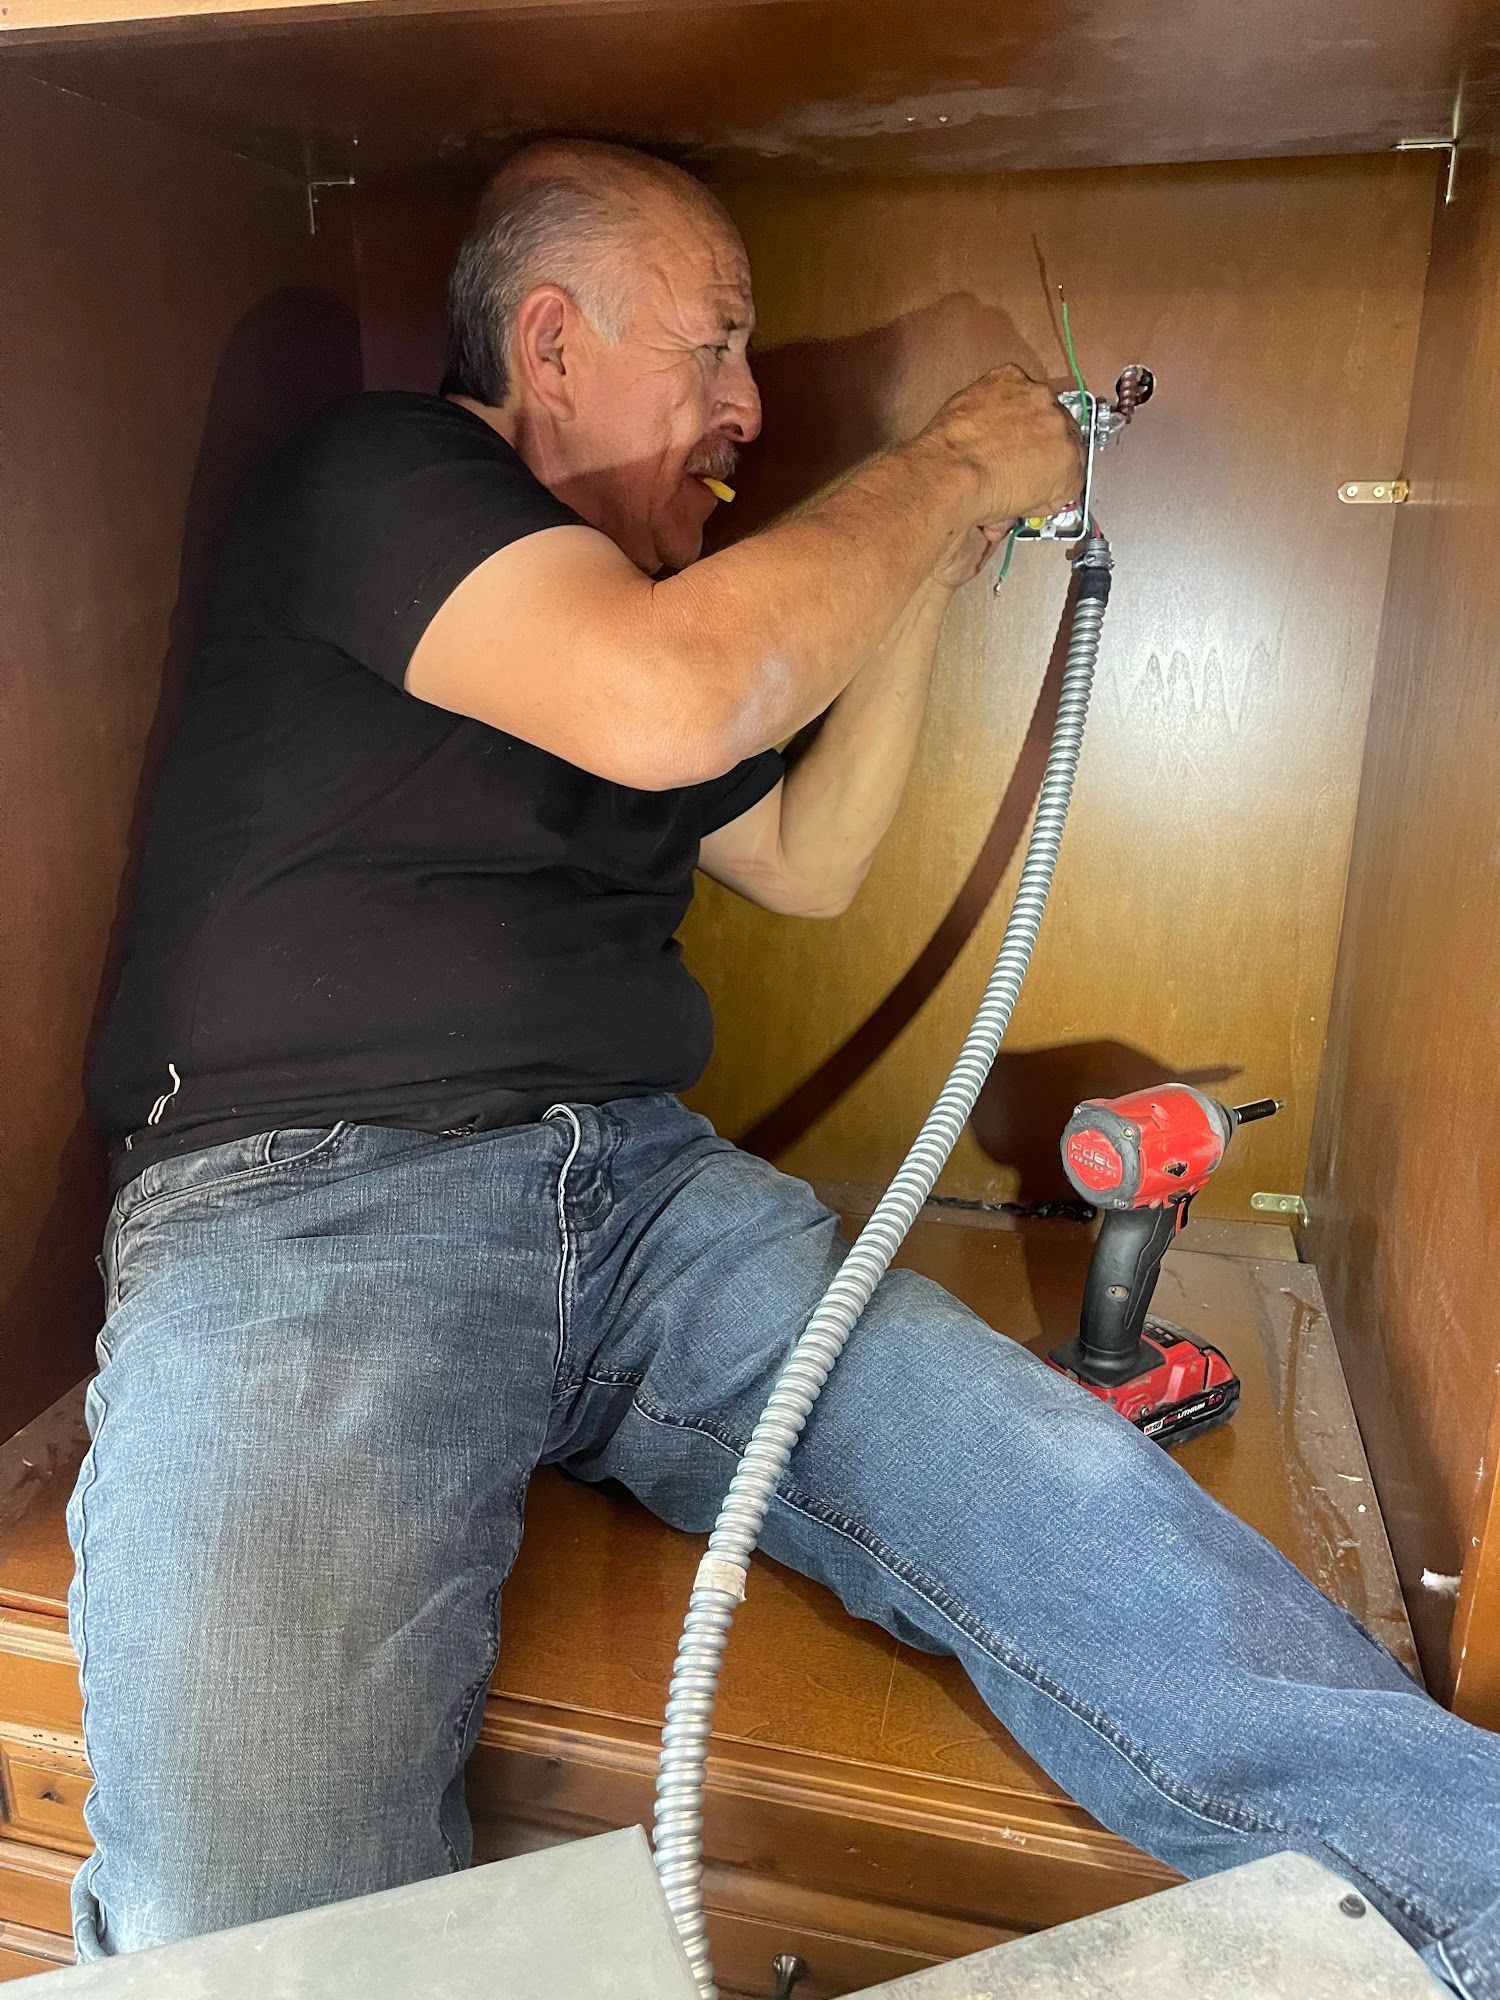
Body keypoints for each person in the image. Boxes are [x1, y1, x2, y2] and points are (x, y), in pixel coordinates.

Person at [76, 138, 1498, 1994]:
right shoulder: (381, 474)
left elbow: (809, 855)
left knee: (1044, 1491)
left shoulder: (640, 602)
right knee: (257, 1914)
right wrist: (951, 463)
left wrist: (926, 564)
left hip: (652, 1204)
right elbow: (680, 697)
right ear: (553, 340)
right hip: (313, 1214)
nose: (748, 403)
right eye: (716, 345)